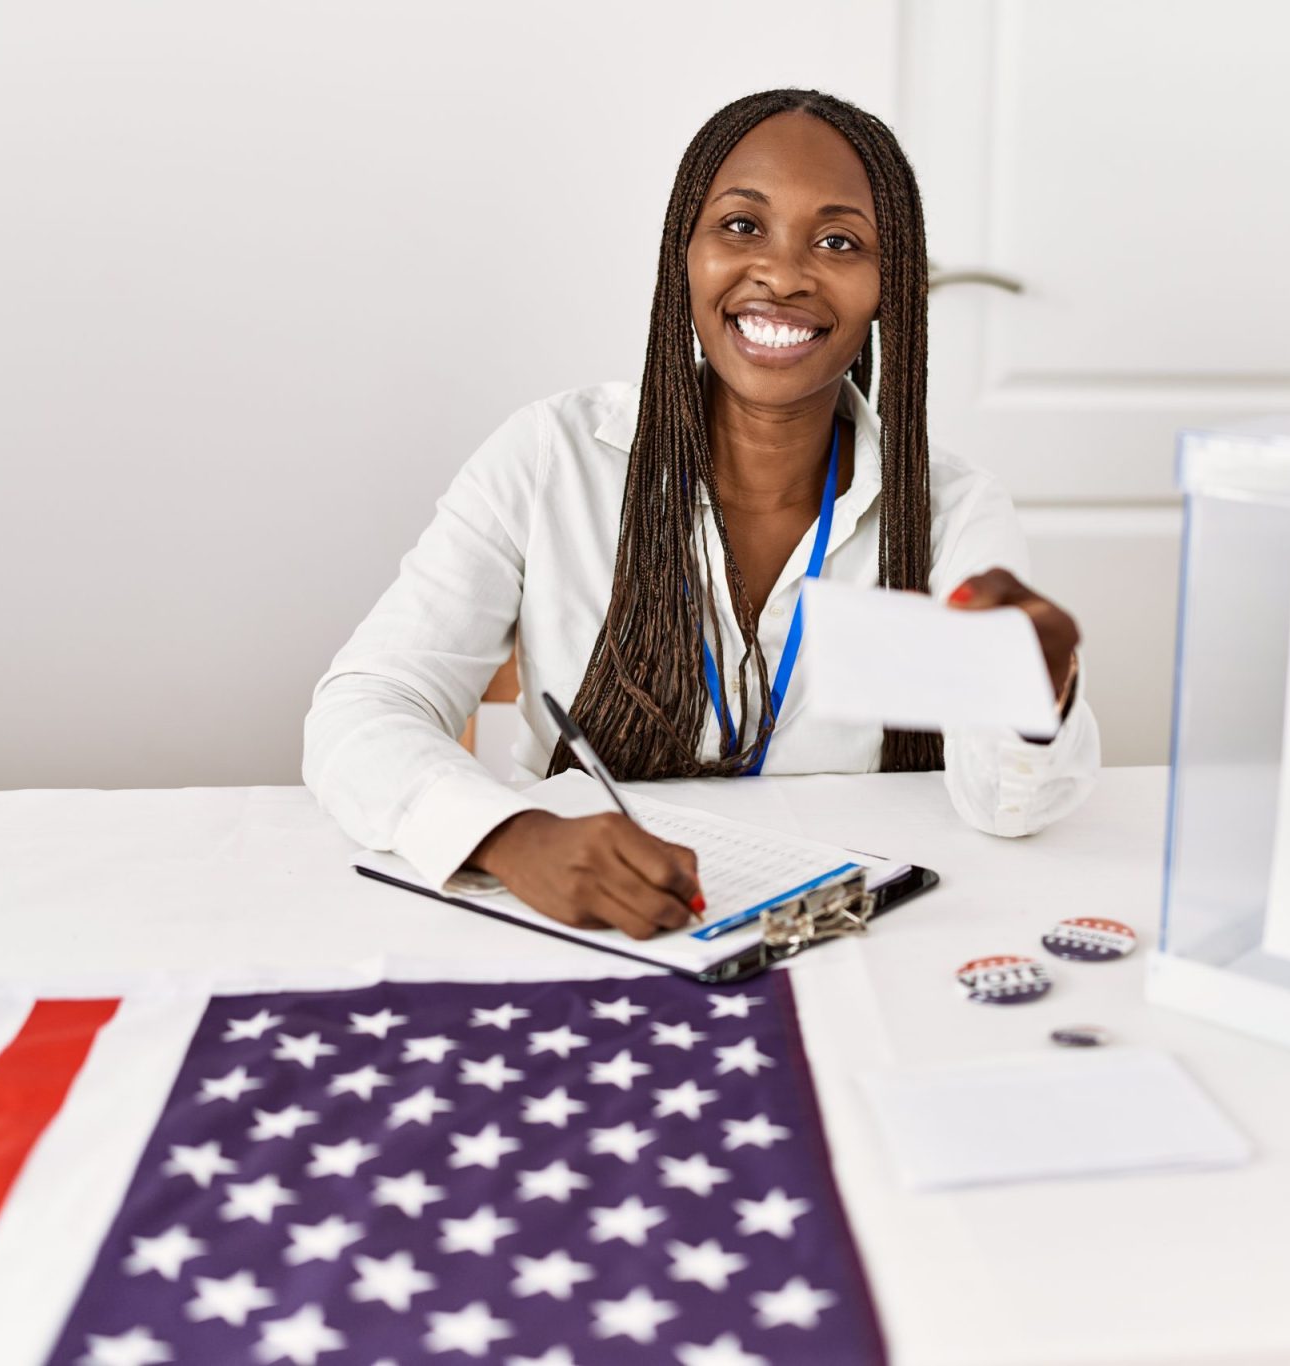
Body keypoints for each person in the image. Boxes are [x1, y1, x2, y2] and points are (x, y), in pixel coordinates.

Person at [304, 88, 1098, 940]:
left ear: (888, 287)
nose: (784, 275)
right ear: (683, 253)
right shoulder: (549, 458)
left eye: (839, 242)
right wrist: (509, 835)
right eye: (742, 226)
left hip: (859, 940)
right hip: (601, 941)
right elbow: (365, 706)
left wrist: (1034, 693)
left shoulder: (952, 511)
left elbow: (1010, 807)